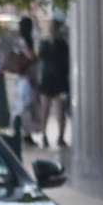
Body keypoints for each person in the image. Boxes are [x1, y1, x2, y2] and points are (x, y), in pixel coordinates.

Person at [31, 18, 71, 149]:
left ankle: (44, 136)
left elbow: (40, 59)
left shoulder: (44, 44)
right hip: (59, 78)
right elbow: (66, 62)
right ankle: (60, 137)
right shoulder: (62, 44)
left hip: (47, 77)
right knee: (60, 110)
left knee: (45, 109)